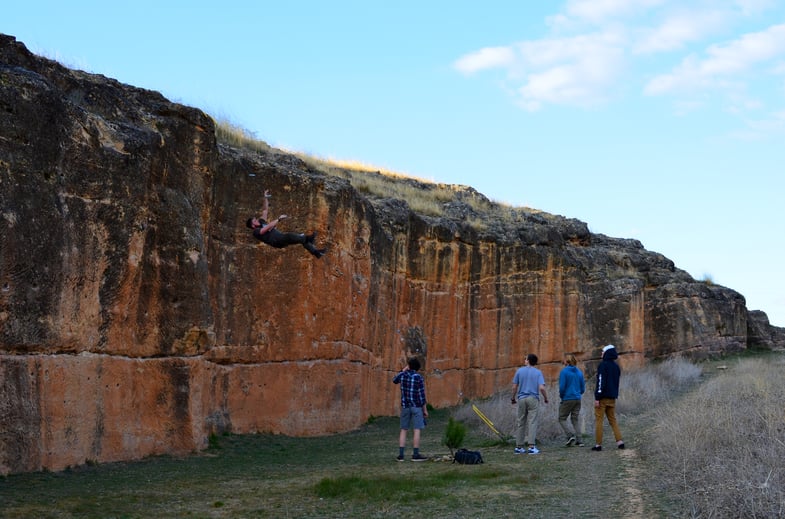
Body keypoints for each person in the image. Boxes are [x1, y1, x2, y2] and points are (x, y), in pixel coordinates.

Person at [245, 189, 327, 258]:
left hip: (280, 237)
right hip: (276, 241)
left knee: (300, 238)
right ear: (253, 225)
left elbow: (265, 210)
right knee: (290, 236)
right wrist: (278, 219)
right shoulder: (256, 232)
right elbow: (265, 229)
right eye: (255, 221)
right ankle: (308, 239)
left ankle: (316, 252)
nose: (257, 220)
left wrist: (265, 197)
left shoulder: (261, 222)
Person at [511, 353, 549, 454]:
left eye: (525, 359)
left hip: (521, 398)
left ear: (528, 361)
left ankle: (519, 446)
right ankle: (531, 446)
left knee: (521, 422)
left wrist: (513, 398)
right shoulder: (538, 372)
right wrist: (545, 398)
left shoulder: (519, 371)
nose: (524, 360)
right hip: (533, 398)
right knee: (532, 422)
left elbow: (514, 386)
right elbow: (541, 388)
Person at [392, 357, 429, 462]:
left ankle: (401, 455)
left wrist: (403, 370)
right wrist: (425, 410)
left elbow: (394, 380)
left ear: (408, 366)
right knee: (417, 429)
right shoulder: (418, 377)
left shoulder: (402, 375)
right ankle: (415, 455)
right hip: (416, 407)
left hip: (405, 406)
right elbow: (422, 396)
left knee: (404, 430)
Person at [592, 344, 625, 451]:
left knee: (599, 420)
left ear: (607, 353)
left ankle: (598, 444)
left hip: (602, 398)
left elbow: (601, 382)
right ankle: (620, 441)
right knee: (613, 420)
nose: (601, 353)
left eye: (603, 352)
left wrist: (597, 397)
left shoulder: (603, 365)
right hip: (612, 397)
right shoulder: (616, 367)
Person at [558, 354, 586, 447]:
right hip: (577, 398)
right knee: (575, 419)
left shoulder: (564, 372)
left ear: (567, 361)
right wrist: (578, 393)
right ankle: (580, 440)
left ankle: (569, 435)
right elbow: (582, 388)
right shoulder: (579, 372)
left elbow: (562, 387)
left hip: (567, 398)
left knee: (561, 418)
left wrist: (562, 396)